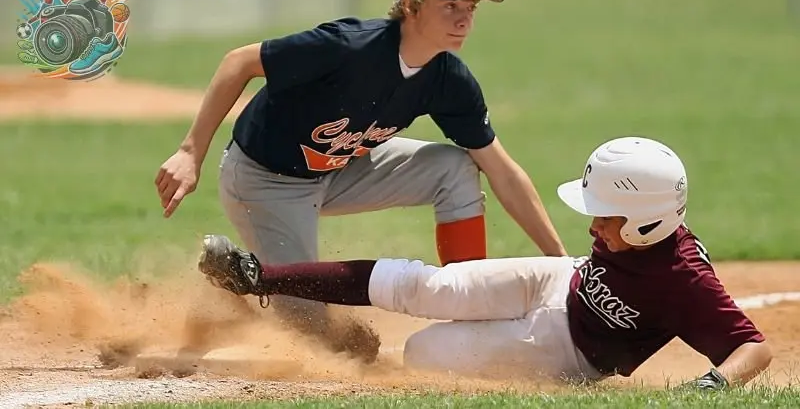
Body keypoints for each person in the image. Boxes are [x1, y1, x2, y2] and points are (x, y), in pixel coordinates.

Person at [155, 0, 567, 358]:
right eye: (450, 6)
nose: (464, 19)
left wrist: (562, 263)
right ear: (411, 6)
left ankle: (470, 304)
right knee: (316, 338)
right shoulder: (348, 46)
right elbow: (239, 62)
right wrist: (191, 152)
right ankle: (232, 293)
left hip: (341, 167)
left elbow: (502, 170)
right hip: (266, 181)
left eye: (470, 8)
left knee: (455, 167)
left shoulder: (448, 80)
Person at [197, 136, 773, 389]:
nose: (593, 224)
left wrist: (711, 387)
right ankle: (256, 276)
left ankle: (368, 348)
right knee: (427, 286)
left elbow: (754, 346)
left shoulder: (686, 281)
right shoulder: (629, 234)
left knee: (426, 352)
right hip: (560, 279)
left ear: (648, 222)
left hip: (572, 350)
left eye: (607, 216)